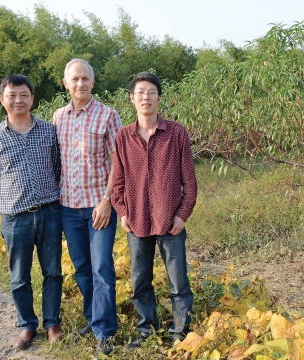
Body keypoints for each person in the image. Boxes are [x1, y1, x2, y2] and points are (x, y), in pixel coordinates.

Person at [112, 72, 198, 347]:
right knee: (139, 282)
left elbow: (190, 181)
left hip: (170, 220)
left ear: (159, 97)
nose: (145, 97)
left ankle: (180, 333)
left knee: (178, 281)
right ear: (132, 99)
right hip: (137, 220)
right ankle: (146, 332)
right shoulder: (123, 137)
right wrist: (123, 212)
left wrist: (182, 215)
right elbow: (118, 182)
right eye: (140, 92)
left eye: (151, 92)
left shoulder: (176, 133)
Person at [0, 74, 63, 350]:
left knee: (52, 271)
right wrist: (12, 201)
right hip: (15, 217)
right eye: (12, 95)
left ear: (32, 98)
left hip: (50, 211)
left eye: (24, 94)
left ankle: (52, 323)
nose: (18, 100)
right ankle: (27, 325)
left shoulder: (49, 131)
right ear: (2, 99)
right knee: (19, 276)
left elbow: (57, 168)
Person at [53, 59, 122, 356]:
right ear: (66, 83)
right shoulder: (58, 117)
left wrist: (107, 201)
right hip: (68, 207)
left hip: (99, 207)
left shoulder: (108, 115)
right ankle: (92, 318)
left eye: (85, 78)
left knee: (102, 268)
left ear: (93, 82)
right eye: (75, 79)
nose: (80, 83)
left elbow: (118, 163)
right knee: (82, 269)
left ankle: (105, 331)